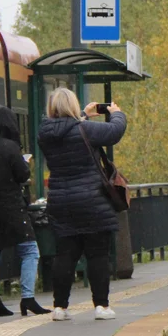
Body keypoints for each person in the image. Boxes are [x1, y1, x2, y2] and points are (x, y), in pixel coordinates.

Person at [38, 88, 127, 322]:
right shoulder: (85, 129)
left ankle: (60, 307)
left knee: (65, 255)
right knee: (97, 254)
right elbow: (115, 131)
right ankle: (101, 306)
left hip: (60, 201)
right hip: (91, 200)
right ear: (73, 106)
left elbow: (68, 132)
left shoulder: (44, 134)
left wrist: (84, 116)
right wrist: (116, 113)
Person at [0, 106, 50, 318]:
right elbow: (22, 175)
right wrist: (23, 161)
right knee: (29, 250)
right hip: (11, 207)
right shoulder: (11, 148)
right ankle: (27, 298)